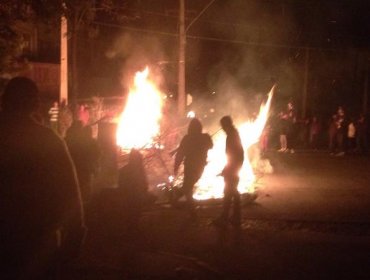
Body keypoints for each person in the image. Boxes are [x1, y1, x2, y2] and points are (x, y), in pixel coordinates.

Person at [0, 77, 86, 280]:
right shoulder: (48, 141)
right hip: (37, 243)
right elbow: (69, 192)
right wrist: (74, 236)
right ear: (35, 104)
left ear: (4, 100)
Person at [174, 118, 213, 218]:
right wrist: (207, 138)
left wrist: (176, 166)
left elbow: (180, 154)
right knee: (188, 188)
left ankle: (176, 198)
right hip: (199, 167)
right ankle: (192, 211)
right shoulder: (204, 138)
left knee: (187, 187)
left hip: (190, 167)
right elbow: (211, 145)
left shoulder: (187, 138)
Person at [213, 116, 244, 228]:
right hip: (234, 167)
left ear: (226, 125)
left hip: (233, 167)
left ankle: (225, 218)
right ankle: (235, 218)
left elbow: (233, 155)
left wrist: (228, 169)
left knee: (228, 192)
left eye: (222, 126)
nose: (222, 128)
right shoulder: (233, 134)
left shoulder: (232, 136)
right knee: (233, 192)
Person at [118, 149, 155, 233]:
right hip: (135, 197)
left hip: (125, 196)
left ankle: (130, 225)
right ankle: (134, 225)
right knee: (137, 204)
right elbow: (145, 186)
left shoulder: (123, 170)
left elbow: (121, 185)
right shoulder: (139, 171)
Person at [65, 121, 101, 203]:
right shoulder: (86, 142)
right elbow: (96, 155)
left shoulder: (70, 140)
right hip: (84, 169)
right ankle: (85, 205)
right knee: (85, 187)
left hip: (76, 168)